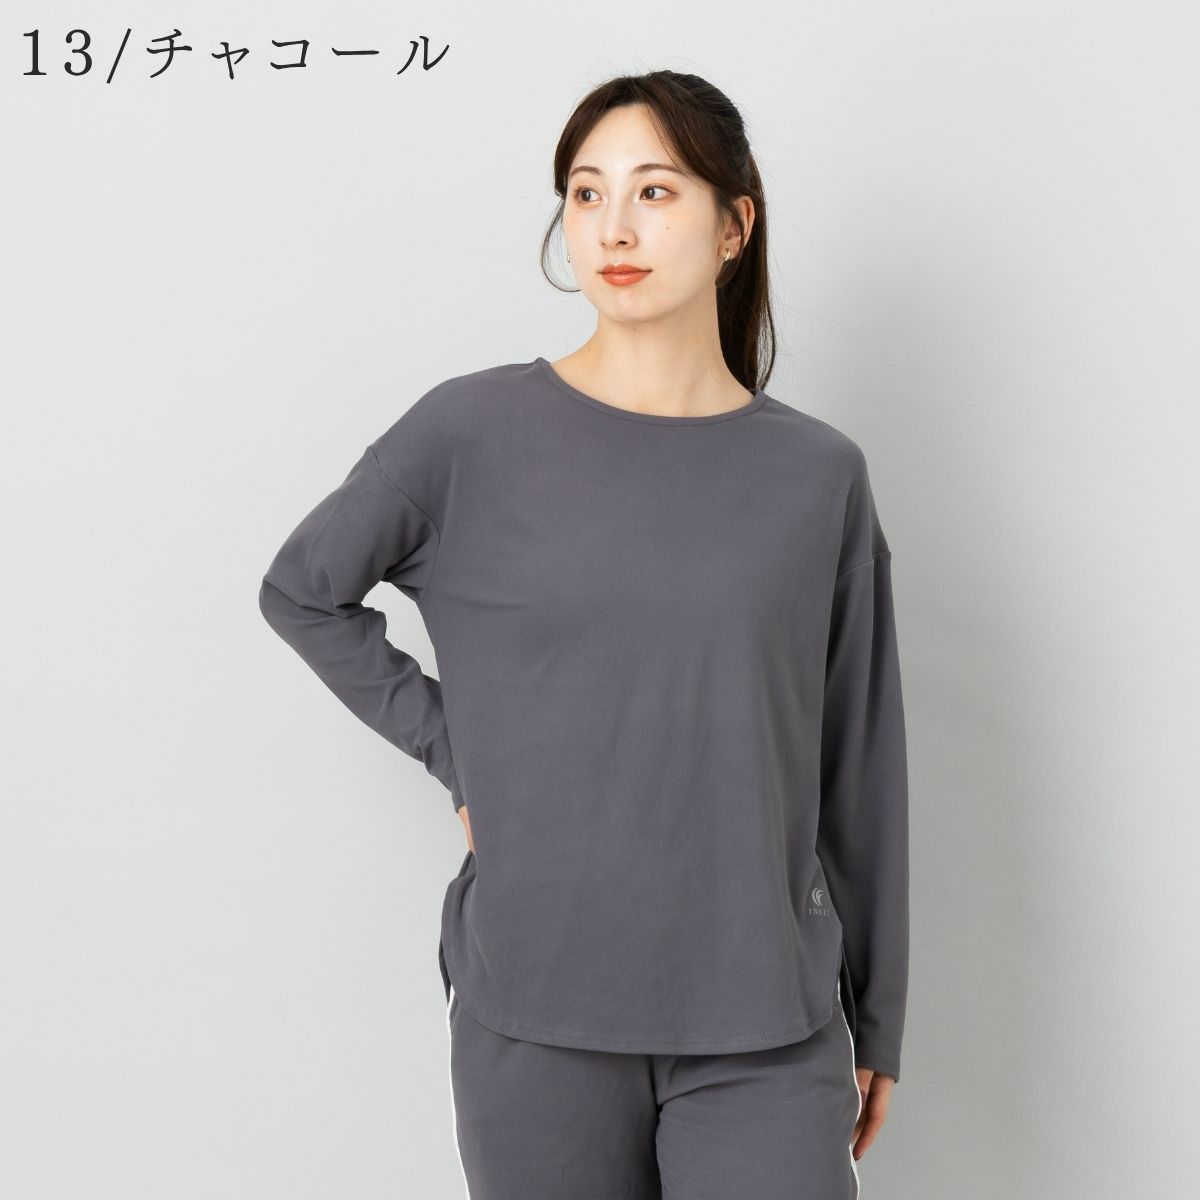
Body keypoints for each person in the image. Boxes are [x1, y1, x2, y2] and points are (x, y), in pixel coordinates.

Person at [259, 69, 909, 1200]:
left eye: (655, 191)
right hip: (535, 1012)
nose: (613, 227)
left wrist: (880, 1015)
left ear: (734, 225)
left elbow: (858, 760)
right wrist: (456, 751)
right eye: (586, 192)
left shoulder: (817, 476)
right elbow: (302, 590)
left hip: (764, 1018)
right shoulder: (469, 434)